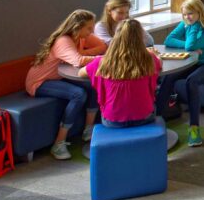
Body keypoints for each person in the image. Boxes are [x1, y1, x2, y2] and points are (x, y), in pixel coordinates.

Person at [29, 9, 103, 160]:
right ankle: (59, 142)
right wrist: (103, 59)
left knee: (93, 85)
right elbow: (78, 61)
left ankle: (88, 129)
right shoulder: (63, 41)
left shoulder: (81, 38)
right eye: (89, 28)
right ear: (78, 27)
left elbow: (102, 47)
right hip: (40, 82)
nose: (91, 31)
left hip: (59, 78)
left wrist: (87, 55)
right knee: (78, 94)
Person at [157, 0, 204, 147]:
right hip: (195, 62)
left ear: (199, 12)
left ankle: (194, 128)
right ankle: (156, 118)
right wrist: (189, 45)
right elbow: (169, 40)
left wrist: (193, 29)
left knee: (192, 81)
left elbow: (190, 45)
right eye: (184, 15)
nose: (187, 17)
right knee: (168, 77)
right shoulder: (185, 23)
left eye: (190, 14)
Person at [84, 18, 162, 129]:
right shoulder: (149, 59)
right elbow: (159, 64)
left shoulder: (103, 61)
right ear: (140, 38)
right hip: (144, 117)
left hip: (113, 121)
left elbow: (81, 73)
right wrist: (156, 55)